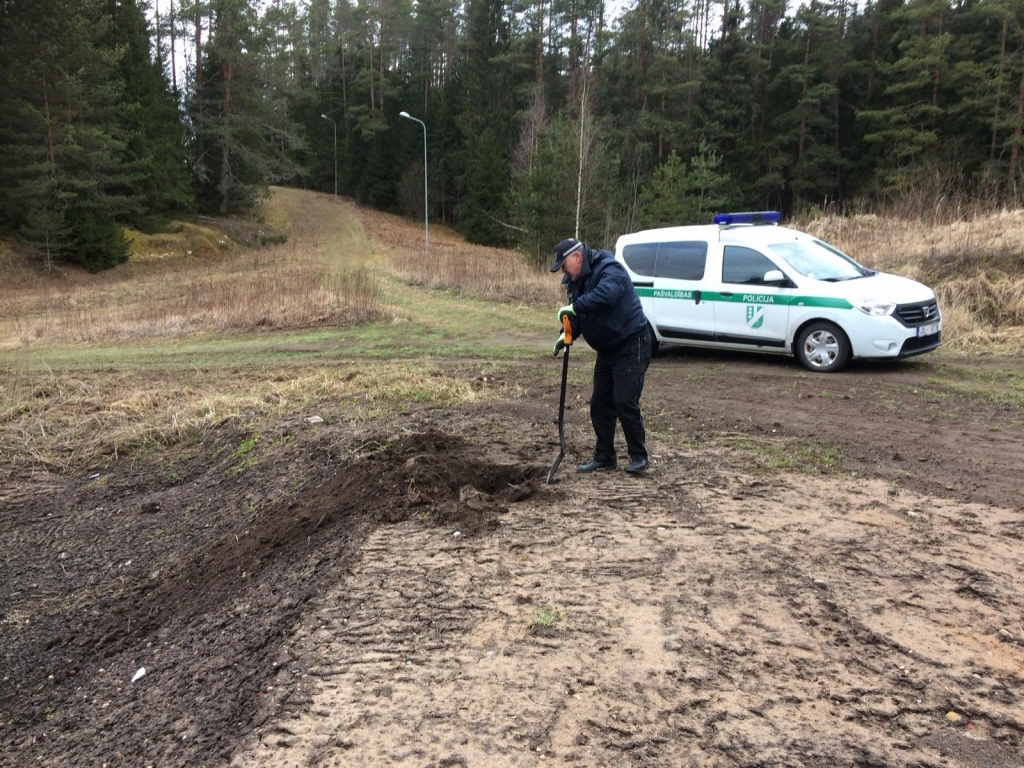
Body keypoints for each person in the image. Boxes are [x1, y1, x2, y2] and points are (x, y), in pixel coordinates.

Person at [549, 237, 652, 474]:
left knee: (624, 400)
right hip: (607, 349)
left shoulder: (608, 267)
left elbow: (607, 295)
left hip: (630, 343)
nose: (563, 271)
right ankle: (605, 456)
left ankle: (639, 456)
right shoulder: (574, 280)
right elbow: (576, 315)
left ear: (577, 257)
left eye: (563, 265)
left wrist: (576, 308)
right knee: (599, 404)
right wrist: (566, 335)